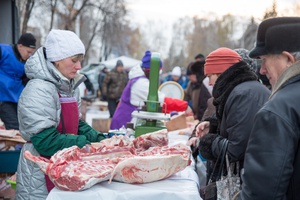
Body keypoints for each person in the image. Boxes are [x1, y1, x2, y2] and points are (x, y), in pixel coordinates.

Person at [15, 29, 106, 200]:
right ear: (56, 60)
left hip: (62, 166)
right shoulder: (38, 89)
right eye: (74, 60)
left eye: (80, 61)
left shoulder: (70, 87)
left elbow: (76, 124)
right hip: (40, 174)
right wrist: (86, 144)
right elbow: (45, 141)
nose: (79, 66)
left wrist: (100, 139)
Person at [237, 17, 300, 200]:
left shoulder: (278, 109)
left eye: (264, 60)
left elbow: (261, 194)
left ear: (288, 59)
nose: (262, 70)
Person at [193, 47, 270, 186]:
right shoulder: (240, 90)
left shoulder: (243, 95)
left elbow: (237, 149)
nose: (209, 83)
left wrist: (208, 142)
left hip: (250, 181)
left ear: (221, 72)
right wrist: (213, 126)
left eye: (210, 76)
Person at [110, 50, 190, 130]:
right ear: (151, 71)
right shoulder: (141, 83)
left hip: (128, 122)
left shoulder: (140, 80)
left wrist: (173, 112)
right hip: (123, 124)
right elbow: (161, 101)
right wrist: (184, 106)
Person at [0, 32, 36, 130]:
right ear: (20, 46)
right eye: (28, 52)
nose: (30, 55)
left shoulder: (29, 62)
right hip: (3, 98)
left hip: (17, 100)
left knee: (23, 127)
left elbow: (27, 81)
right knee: (14, 127)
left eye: (31, 52)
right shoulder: (3, 51)